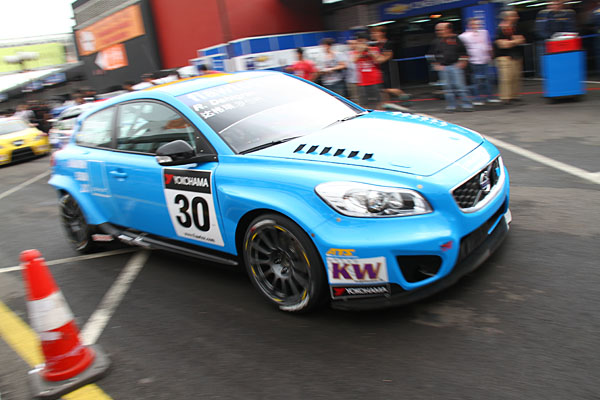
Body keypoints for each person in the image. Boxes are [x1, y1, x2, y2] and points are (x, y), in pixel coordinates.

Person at [430, 22, 473, 112]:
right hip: (443, 67)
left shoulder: (456, 39)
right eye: (437, 30)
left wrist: (463, 61)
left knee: (460, 86)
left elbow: (463, 51)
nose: (438, 32)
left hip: (455, 65)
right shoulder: (436, 41)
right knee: (448, 88)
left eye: (440, 30)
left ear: (448, 29)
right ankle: (451, 106)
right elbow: (431, 54)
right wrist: (435, 64)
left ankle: (467, 105)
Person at [459, 18, 500, 105]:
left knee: (488, 79)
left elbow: (488, 45)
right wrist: (464, 60)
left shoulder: (484, 32)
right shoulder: (463, 36)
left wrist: (491, 55)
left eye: (478, 24)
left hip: (485, 59)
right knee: (476, 80)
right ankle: (477, 98)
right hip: (473, 60)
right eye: (474, 24)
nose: (477, 26)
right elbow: (462, 50)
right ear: (469, 25)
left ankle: (489, 97)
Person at [370, 26, 410, 105]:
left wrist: (373, 54)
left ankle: (404, 96)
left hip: (388, 68)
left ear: (382, 33)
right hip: (379, 69)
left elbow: (384, 58)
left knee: (387, 88)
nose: (373, 35)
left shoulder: (388, 44)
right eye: (372, 33)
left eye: (375, 33)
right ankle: (386, 104)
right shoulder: (375, 45)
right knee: (382, 89)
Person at [495, 10, 526, 105]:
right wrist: (515, 41)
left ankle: (514, 96)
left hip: (516, 55)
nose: (517, 17)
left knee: (516, 77)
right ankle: (506, 97)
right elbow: (503, 44)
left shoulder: (515, 28)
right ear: (507, 17)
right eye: (514, 16)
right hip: (504, 56)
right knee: (506, 78)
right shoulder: (501, 29)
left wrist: (511, 42)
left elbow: (522, 40)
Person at [354, 32, 383, 109]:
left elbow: (378, 60)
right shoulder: (357, 51)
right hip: (362, 82)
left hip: (375, 80)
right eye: (359, 41)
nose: (361, 43)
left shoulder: (374, 49)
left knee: (378, 103)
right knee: (363, 104)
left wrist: (369, 50)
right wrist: (360, 51)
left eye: (362, 41)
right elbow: (354, 60)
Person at [345, 39, 361, 104]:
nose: (352, 45)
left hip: (361, 80)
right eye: (350, 44)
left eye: (354, 43)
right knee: (355, 99)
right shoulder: (346, 54)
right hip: (351, 80)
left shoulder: (361, 53)